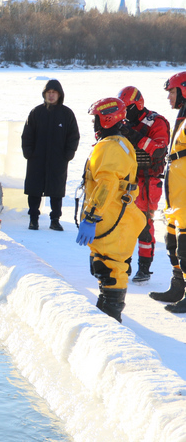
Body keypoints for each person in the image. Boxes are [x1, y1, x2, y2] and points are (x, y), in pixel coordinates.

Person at [75, 98, 144, 322]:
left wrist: (92, 216)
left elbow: (107, 184)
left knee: (111, 270)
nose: (94, 124)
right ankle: (105, 312)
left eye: (96, 119)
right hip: (117, 218)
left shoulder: (110, 146)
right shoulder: (119, 143)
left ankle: (111, 319)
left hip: (112, 218)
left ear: (105, 119)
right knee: (105, 267)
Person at [117, 86, 170, 283]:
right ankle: (124, 263)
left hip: (148, 180)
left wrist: (134, 136)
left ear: (137, 105)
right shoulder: (123, 123)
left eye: (127, 108)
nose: (124, 113)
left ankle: (144, 268)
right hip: (127, 179)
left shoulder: (156, 122)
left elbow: (158, 150)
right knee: (123, 223)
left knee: (145, 226)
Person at [21, 79, 80, 231]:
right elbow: (27, 135)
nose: (51, 95)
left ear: (59, 95)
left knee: (56, 190)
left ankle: (55, 219)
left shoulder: (67, 114)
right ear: (44, 94)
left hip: (58, 159)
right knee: (34, 189)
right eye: (49, 93)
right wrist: (28, 153)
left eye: (54, 93)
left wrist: (68, 154)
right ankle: (33, 219)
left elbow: (73, 136)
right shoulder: (36, 112)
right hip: (37, 158)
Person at [150, 73, 186, 312]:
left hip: (185, 198)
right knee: (172, 242)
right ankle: (177, 286)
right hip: (175, 197)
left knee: (185, 248)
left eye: (172, 92)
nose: (169, 98)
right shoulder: (182, 117)